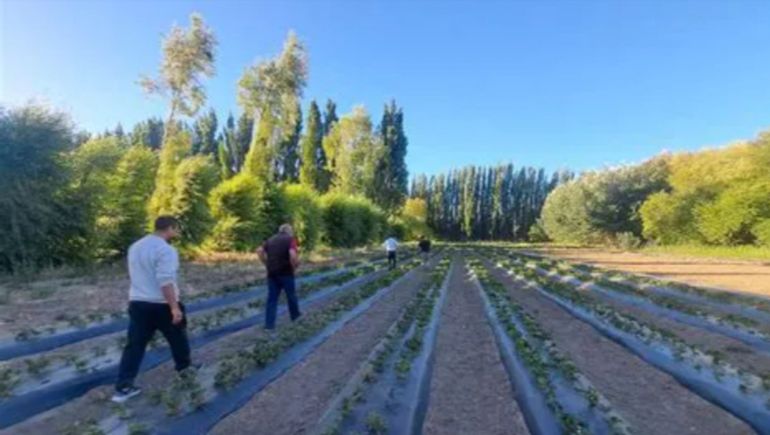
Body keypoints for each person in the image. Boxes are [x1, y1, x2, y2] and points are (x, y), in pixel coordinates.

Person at [113, 216, 192, 403]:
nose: (177, 232)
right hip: (161, 304)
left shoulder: (136, 246)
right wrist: (174, 307)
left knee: (135, 344)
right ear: (170, 228)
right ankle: (185, 371)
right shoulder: (166, 250)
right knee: (178, 338)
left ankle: (124, 386)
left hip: (138, 302)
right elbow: (165, 281)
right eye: (176, 229)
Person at [258, 224, 301, 330]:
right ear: (289, 231)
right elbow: (292, 254)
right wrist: (295, 266)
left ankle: (269, 325)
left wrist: (266, 263)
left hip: (272, 273)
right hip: (286, 272)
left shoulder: (270, 240)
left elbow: (259, 251)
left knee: (272, 299)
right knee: (291, 296)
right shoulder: (290, 240)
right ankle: (295, 318)